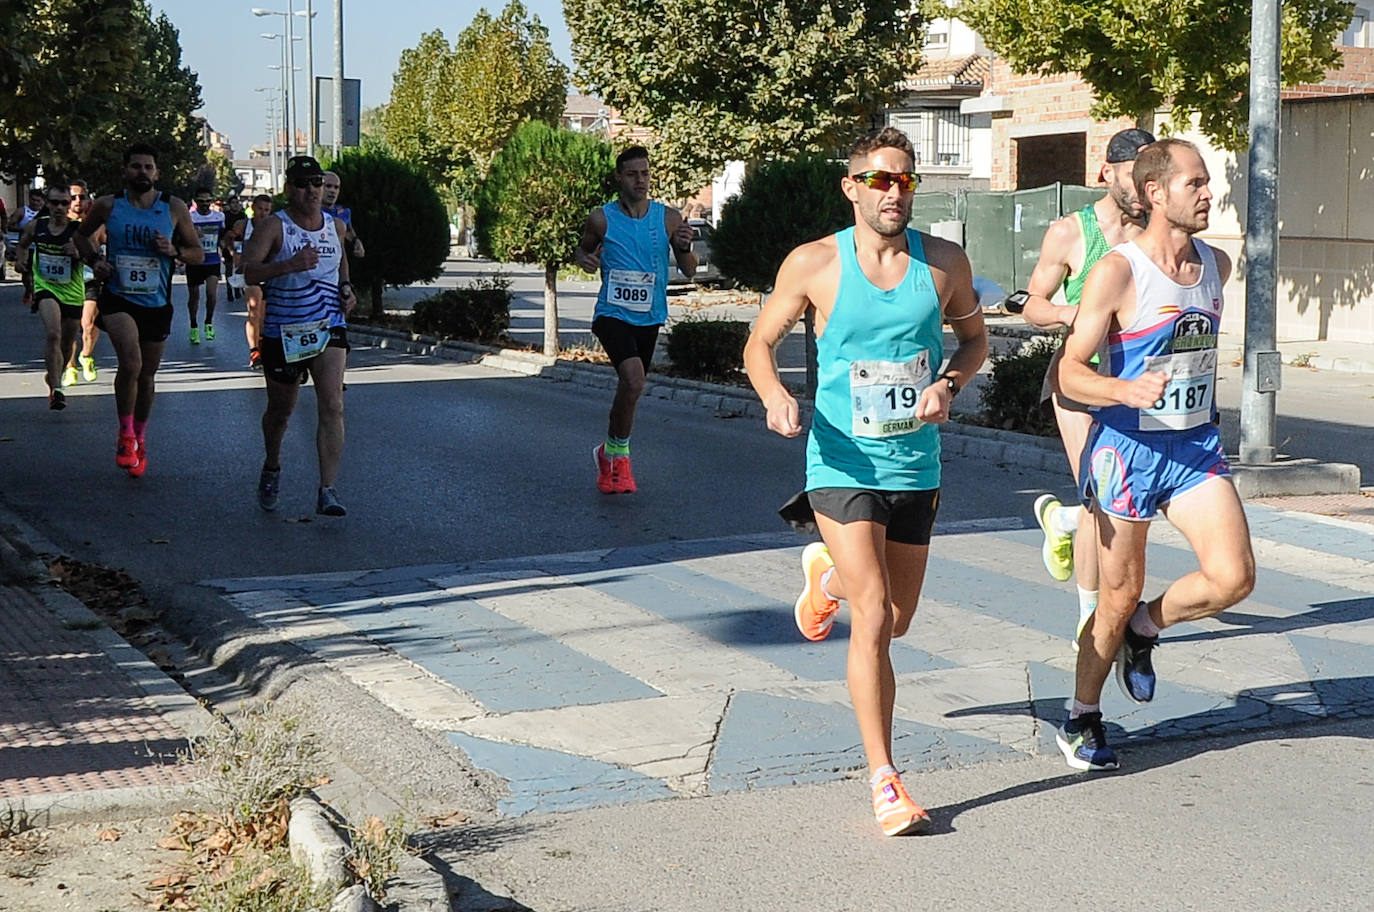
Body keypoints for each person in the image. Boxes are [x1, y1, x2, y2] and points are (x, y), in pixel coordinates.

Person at [743, 127, 988, 835]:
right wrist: (776, 396)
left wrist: (949, 383)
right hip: (841, 461)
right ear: (852, 187)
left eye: (905, 180)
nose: (894, 192)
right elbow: (760, 344)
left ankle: (825, 581)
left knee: (897, 621)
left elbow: (975, 342)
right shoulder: (815, 264)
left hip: (915, 463)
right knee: (874, 615)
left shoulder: (942, 266)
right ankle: (885, 778)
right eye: (880, 180)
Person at [1055, 138, 1255, 771]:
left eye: (1207, 182)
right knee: (1113, 597)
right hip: (1127, 450)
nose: (1208, 193)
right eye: (1194, 183)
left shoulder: (1217, 265)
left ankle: (1146, 628)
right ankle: (1081, 715)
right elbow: (1068, 372)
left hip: (1193, 446)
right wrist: (1121, 388)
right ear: (1154, 193)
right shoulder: (1119, 271)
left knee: (1233, 578)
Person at [1007, 127, 1155, 649]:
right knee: (1100, 496)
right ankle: (1091, 615)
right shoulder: (1072, 232)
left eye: (1151, 174)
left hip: (1135, 384)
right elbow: (1032, 302)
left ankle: (1061, 520)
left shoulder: (1156, 234)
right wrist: (1078, 313)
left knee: (1123, 502)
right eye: (1133, 174)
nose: (1142, 186)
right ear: (1106, 173)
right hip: (1078, 376)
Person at [574, 146, 697, 494]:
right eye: (632, 174)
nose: (640, 180)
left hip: (649, 316)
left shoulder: (668, 218)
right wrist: (584, 259)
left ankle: (609, 453)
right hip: (611, 314)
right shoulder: (601, 218)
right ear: (619, 177)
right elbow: (583, 249)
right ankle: (622, 458)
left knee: (632, 388)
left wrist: (686, 249)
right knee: (633, 377)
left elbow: (688, 271)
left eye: (645, 173)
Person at [76, 142, 204, 477]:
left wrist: (174, 249)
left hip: (156, 302)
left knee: (147, 374)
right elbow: (81, 237)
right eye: (136, 166)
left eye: (148, 167)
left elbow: (197, 254)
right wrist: (95, 261)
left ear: (157, 173)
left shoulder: (172, 207)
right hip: (118, 297)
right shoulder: (108, 205)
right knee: (130, 362)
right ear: (125, 171)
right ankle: (125, 432)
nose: (142, 172)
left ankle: (140, 437)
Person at [242, 155, 357, 516]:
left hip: (328, 325)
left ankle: (328, 489)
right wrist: (288, 266)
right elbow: (248, 271)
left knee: (333, 404)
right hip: (284, 331)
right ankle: (272, 464)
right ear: (289, 188)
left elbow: (340, 261)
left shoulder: (335, 227)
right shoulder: (274, 227)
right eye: (303, 184)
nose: (312, 190)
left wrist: (347, 288)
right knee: (281, 411)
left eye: (317, 183)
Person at [15, 186, 85, 409]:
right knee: (54, 333)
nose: (59, 208)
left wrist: (78, 253)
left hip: (72, 291)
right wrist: (20, 260)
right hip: (46, 287)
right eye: (54, 203)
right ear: (48, 203)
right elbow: (23, 245)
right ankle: (56, 388)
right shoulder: (38, 226)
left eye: (64, 203)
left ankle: (56, 374)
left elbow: (95, 256)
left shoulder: (78, 230)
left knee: (67, 341)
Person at [226, 194, 273, 369]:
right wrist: (233, 252)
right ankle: (254, 352)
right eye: (260, 209)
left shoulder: (274, 226)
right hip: (250, 274)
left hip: (268, 273)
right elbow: (228, 238)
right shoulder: (243, 225)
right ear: (252, 208)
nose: (263, 213)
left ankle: (262, 347)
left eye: (267, 210)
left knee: (264, 315)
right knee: (254, 310)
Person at [68, 179, 102, 384]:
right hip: (64, 282)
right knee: (69, 327)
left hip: (90, 278)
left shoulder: (97, 223)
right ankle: (70, 366)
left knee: (88, 324)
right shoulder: (58, 222)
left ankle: (86, 355)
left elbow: (106, 244)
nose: (78, 201)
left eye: (82, 196)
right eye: (73, 197)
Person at [186, 187, 226, 343]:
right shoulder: (189, 217)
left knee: (211, 293)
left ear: (212, 201)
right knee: (194, 296)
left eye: (207, 201)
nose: (204, 204)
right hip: (194, 261)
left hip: (212, 260)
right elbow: (181, 237)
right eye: (201, 201)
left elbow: (222, 238)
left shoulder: (219, 216)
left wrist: (229, 253)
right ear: (195, 202)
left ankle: (208, 323)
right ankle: (193, 326)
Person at [321, 171, 365, 259]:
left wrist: (356, 242)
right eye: (328, 186)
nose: (332, 191)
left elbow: (348, 230)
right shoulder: (310, 212)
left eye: (336, 187)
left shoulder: (344, 211)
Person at [16, 187, 45, 308]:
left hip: (41, 248)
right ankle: (29, 289)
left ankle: (36, 295)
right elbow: (11, 224)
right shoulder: (22, 211)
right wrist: (23, 229)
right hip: (27, 247)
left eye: (38, 200)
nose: (35, 203)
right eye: (33, 200)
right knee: (26, 274)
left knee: (37, 273)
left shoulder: (47, 213)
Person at [221, 196, 247, 301]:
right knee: (229, 267)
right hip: (228, 243)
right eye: (233, 202)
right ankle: (229, 289)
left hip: (240, 243)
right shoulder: (225, 216)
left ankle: (237, 288)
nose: (235, 205)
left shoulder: (242, 215)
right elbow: (223, 231)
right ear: (229, 204)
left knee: (239, 267)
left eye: (237, 202)